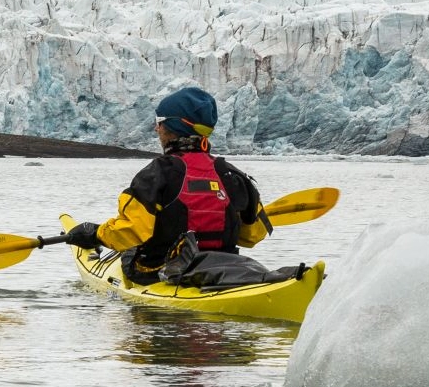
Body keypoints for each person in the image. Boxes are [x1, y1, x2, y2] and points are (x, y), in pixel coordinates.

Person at [63, 87, 273, 286]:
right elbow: (253, 235)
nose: (156, 128)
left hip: (158, 273)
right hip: (222, 270)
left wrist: (95, 234)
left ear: (176, 126)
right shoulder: (232, 175)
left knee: (131, 250)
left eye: (160, 121)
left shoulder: (157, 173)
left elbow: (131, 232)